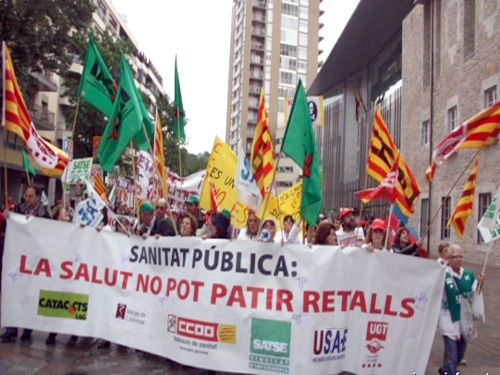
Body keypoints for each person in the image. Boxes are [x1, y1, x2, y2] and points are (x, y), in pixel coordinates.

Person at [1, 185, 50, 343]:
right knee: (14, 290)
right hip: (17, 256)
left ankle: (27, 328)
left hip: (34, 259)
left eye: (30, 196)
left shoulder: (44, 213)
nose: (27, 199)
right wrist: (7, 217)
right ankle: (11, 328)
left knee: (30, 293)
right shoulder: (19, 210)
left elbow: (51, 232)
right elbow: (6, 229)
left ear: (37, 197)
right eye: (26, 196)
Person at [438, 244, 485, 375]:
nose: (458, 259)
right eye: (455, 257)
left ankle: (445, 370)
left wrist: (481, 283)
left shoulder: (468, 275)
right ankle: (449, 370)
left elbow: (476, 292)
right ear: (449, 258)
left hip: (465, 321)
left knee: (459, 356)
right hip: (449, 319)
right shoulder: (443, 274)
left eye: (460, 256)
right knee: (452, 356)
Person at [45, 206, 78, 345]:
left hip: (71, 271)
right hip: (58, 271)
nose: (67, 214)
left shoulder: (73, 228)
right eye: (64, 213)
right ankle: (53, 333)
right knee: (58, 302)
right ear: (57, 216)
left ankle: (74, 330)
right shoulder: (52, 229)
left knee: (72, 301)